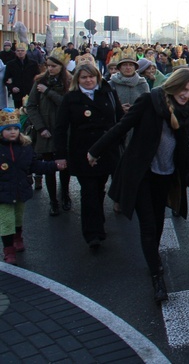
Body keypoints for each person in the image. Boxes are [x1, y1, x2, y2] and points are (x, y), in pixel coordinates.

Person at [87, 67, 189, 303]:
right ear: (174, 85)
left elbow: (186, 146)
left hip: (165, 175)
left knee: (157, 223)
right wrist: (95, 150)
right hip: (141, 173)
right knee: (148, 225)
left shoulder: (188, 110)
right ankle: (157, 277)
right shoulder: (150, 100)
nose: (187, 95)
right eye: (184, 89)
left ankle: (152, 258)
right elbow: (122, 127)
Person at [54, 59, 124, 250]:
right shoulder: (71, 98)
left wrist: (121, 143)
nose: (88, 81)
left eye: (91, 76)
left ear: (97, 77)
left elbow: (120, 120)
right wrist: (60, 155)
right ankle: (91, 233)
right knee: (88, 191)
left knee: (99, 189)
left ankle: (98, 223)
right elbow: (60, 128)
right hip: (82, 151)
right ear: (78, 79)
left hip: (106, 150)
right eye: (84, 77)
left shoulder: (108, 93)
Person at [0, 108, 60, 264]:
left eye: (15, 128)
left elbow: (35, 165)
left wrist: (53, 166)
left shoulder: (25, 147)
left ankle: (17, 237)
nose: (12, 132)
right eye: (8, 129)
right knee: (6, 221)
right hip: (3, 192)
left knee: (18, 217)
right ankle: (8, 250)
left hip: (20, 189)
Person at [25, 47, 72, 216]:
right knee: (49, 167)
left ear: (61, 67)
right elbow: (30, 106)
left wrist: (49, 92)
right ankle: (53, 200)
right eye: (48, 65)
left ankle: (65, 194)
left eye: (54, 66)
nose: (50, 69)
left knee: (65, 166)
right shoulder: (39, 81)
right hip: (46, 130)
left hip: (64, 130)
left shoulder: (69, 81)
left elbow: (67, 103)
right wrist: (41, 128)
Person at [108, 48, 149, 115]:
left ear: (135, 68)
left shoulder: (142, 83)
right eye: (124, 65)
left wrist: (134, 108)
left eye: (131, 65)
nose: (128, 68)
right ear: (120, 68)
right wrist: (119, 108)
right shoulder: (111, 83)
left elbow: (147, 104)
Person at [6, 43, 40, 108]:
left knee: (30, 111)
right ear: (15, 52)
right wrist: (12, 87)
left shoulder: (33, 63)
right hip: (17, 93)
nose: (20, 52)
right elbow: (6, 79)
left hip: (30, 92)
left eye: (22, 50)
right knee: (19, 112)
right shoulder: (10, 64)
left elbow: (38, 77)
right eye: (18, 51)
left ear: (26, 51)